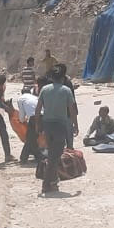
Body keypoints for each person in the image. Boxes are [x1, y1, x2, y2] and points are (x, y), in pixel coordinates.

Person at [35, 66, 78, 194]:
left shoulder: (44, 89)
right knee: (55, 156)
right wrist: (75, 125)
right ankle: (46, 184)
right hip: (60, 126)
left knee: (52, 153)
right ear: (63, 78)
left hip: (47, 125)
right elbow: (72, 110)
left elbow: (38, 109)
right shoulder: (66, 91)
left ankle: (53, 181)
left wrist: (38, 125)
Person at [16, 83, 41, 164]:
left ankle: (24, 158)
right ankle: (38, 156)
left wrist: (22, 120)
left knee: (29, 138)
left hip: (34, 118)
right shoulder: (35, 97)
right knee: (32, 138)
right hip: (45, 116)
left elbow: (22, 115)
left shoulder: (21, 99)